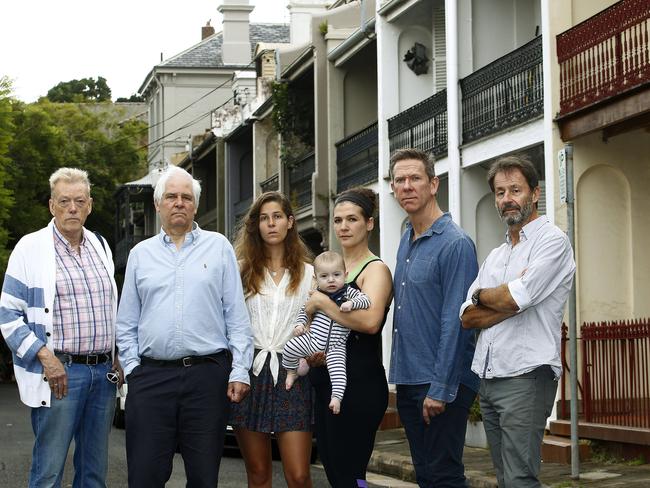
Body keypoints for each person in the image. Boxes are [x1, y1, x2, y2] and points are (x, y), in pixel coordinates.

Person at [116, 166, 253, 488]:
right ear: (157, 204)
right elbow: (126, 322)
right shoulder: (140, 254)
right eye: (171, 196)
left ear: (195, 205)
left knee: (204, 477)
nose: (179, 203)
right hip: (150, 379)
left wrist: (239, 370)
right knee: (145, 475)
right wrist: (134, 369)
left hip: (206, 378)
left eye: (186, 197)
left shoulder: (219, 247)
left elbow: (236, 315)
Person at [0, 167, 121, 487]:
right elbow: (7, 315)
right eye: (64, 201)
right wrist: (46, 358)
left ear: (90, 205)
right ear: (52, 206)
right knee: (48, 471)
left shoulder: (101, 246)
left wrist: (117, 356)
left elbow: (111, 309)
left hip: (103, 374)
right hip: (60, 374)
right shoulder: (31, 248)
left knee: (94, 472)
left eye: (79, 201)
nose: (72, 208)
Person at [460, 154, 575, 487]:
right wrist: (497, 298)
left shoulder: (552, 241)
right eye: (499, 192)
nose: (507, 199)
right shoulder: (498, 255)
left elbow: (516, 298)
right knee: (504, 476)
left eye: (515, 190)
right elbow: (467, 317)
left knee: (520, 478)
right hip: (490, 376)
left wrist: (489, 296)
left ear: (535, 193)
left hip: (526, 376)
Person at [389, 148, 479, 487]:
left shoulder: (455, 244)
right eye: (400, 180)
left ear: (433, 184)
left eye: (415, 178)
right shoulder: (405, 241)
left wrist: (441, 389)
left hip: (441, 382)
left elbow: (456, 321)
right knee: (426, 475)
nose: (407, 186)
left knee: (444, 475)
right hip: (410, 377)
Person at [305, 187, 393, 487]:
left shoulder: (375, 269)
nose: (343, 227)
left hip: (360, 385)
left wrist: (321, 303)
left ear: (369, 223)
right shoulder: (330, 270)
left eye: (352, 219)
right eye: (338, 220)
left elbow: (369, 322)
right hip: (325, 382)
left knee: (350, 475)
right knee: (335, 473)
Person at [230, 191, 314, 488]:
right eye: (264, 218)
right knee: (258, 475)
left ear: (290, 222)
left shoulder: (310, 275)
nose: (271, 224)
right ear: (256, 226)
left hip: (293, 374)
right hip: (251, 373)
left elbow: (321, 325)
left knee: (299, 475)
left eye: (277, 216)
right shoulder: (240, 270)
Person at [283, 250, 371, 414]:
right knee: (289, 347)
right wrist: (299, 326)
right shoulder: (315, 295)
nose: (331, 280)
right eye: (324, 276)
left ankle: (336, 398)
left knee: (339, 373)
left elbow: (366, 300)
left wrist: (352, 304)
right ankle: (291, 371)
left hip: (336, 347)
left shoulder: (347, 292)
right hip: (313, 339)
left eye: (336, 275)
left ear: (345, 275)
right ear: (316, 279)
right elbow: (304, 311)